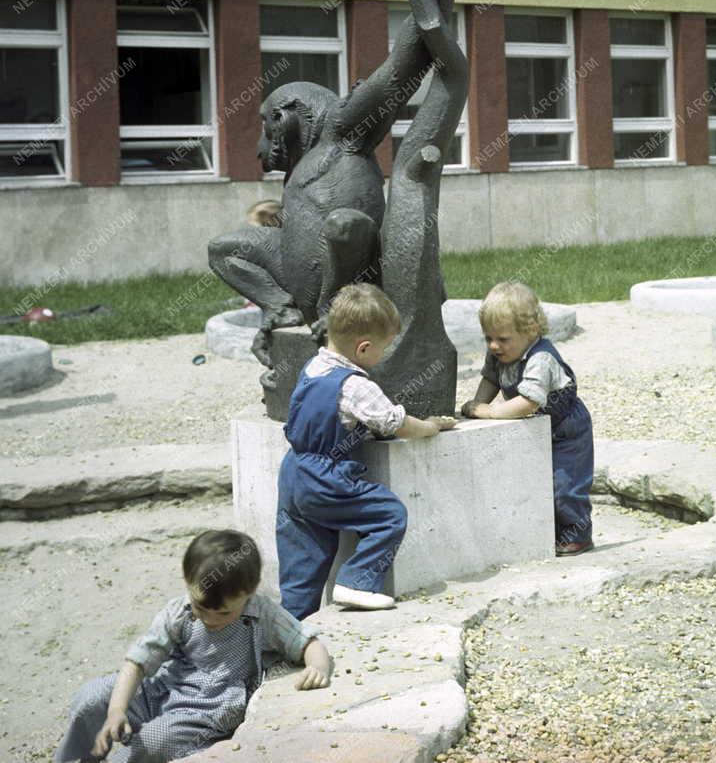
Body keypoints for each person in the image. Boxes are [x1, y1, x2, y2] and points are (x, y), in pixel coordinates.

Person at [55, 529, 332, 763]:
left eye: (223, 613)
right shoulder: (178, 612)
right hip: (162, 689)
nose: (210, 618)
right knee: (91, 696)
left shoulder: (261, 612)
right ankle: (84, 756)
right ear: (188, 583)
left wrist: (317, 665)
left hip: (206, 710)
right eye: (201, 607)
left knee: (152, 741)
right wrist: (117, 710)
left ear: (249, 592)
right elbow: (137, 662)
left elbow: (305, 639)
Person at [276, 282, 456, 618]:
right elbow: (394, 422)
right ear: (362, 349)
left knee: (303, 556)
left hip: (293, 473)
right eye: (383, 349)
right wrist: (431, 427)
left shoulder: (313, 368)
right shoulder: (356, 385)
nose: (383, 357)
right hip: (326, 477)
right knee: (389, 515)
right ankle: (357, 582)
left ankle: (290, 626)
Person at [460, 281, 594, 556]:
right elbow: (491, 378)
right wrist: (479, 403)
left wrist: (490, 412)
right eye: (488, 338)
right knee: (532, 480)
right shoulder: (501, 353)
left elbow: (528, 402)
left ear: (531, 331)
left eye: (503, 339)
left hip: (566, 430)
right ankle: (546, 531)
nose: (494, 345)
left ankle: (577, 534)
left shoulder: (541, 358)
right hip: (537, 427)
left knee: (565, 484)